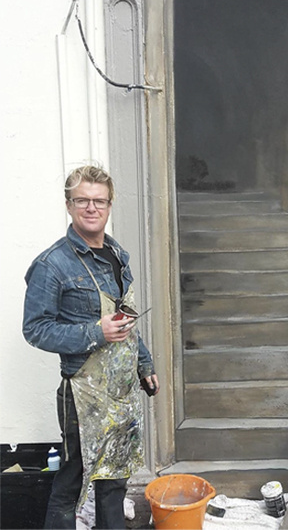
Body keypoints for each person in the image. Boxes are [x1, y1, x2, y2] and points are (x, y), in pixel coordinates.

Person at [23, 165, 157, 529]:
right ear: (69, 205)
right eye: (82, 200)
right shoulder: (53, 264)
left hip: (120, 390)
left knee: (114, 478)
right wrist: (95, 332)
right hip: (82, 394)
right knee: (74, 481)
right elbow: (35, 330)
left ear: (110, 205)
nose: (91, 208)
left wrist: (145, 366)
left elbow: (126, 320)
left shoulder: (117, 254)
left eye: (99, 201)